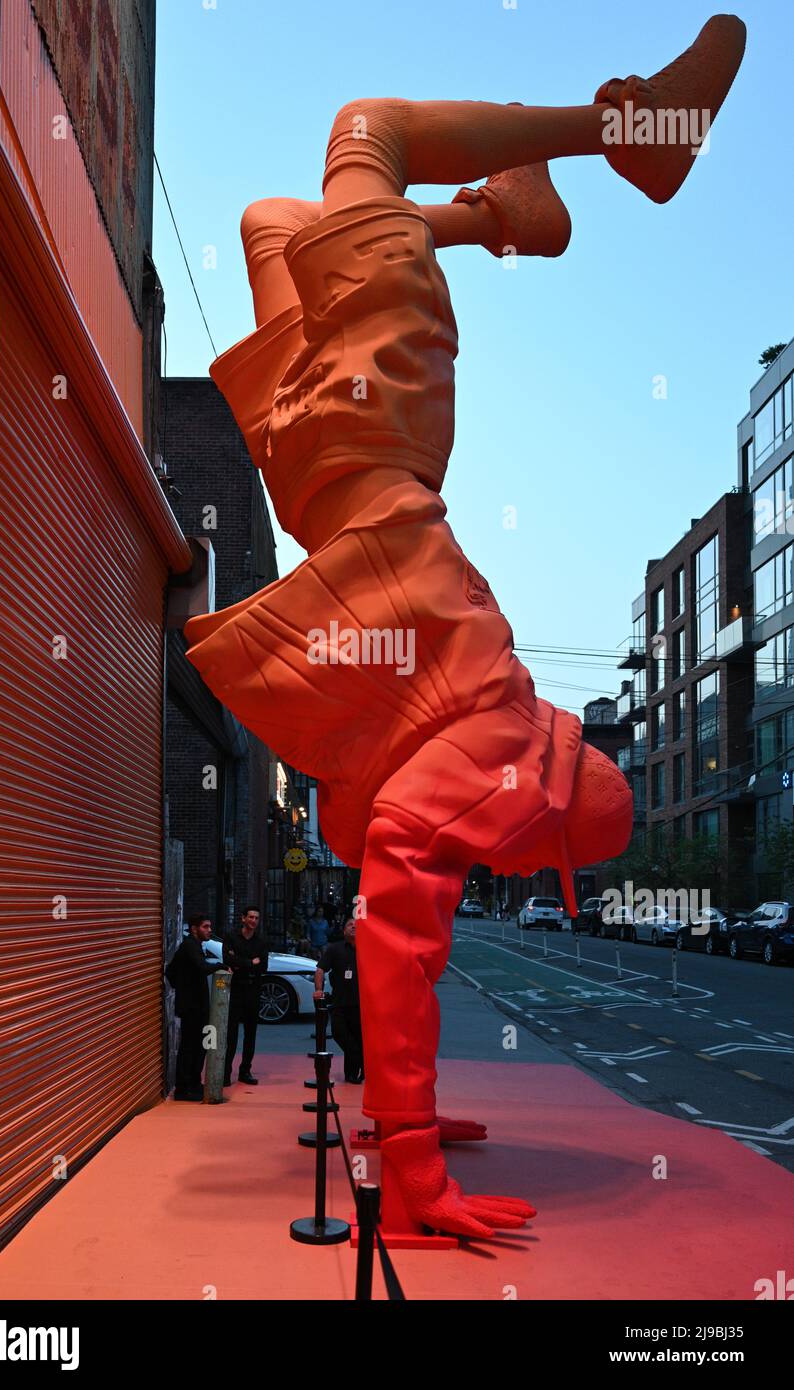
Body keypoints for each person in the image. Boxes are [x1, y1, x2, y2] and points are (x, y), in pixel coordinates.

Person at [185, 15, 746, 1235]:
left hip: (372, 436)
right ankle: (506, 222)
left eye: (585, 756)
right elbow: (408, 942)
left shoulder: (482, 744)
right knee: (275, 222)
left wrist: (413, 1165)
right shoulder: (463, 731)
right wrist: (412, 1128)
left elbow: (395, 939)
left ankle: (632, 132)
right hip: (323, 455)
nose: (580, 740)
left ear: (553, 776)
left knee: (362, 135)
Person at [165, 913, 223, 1102]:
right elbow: (201, 967)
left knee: (194, 1045)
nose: (209, 930)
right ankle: (186, 1087)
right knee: (193, 1046)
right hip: (193, 1007)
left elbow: (170, 971)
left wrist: (181, 988)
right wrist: (220, 965)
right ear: (194, 928)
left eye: (209, 927)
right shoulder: (190, 946)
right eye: (205, 927)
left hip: (192, 1004)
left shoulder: (192, 946)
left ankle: (191, 1084)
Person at [223, 905, 269, 1085]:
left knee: (251, 1034)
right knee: (231, 1034)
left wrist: (239, 963)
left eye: (256, 918)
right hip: (236, 989)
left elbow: (263, 966)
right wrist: (251, 962)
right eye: (251, 917)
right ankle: (226, 1073)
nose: (254, 921)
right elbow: (228, 960)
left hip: (253, 989)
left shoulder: (262, 941)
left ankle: (245, 1071)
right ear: (243, 918)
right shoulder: (231, 937)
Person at [314, 917, 363, 1082]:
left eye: (357, 925)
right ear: (344, 930)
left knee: (357, 1037)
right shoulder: (335, 949)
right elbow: (320, 969)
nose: (354, 927)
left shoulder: (368, 949)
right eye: (350, 925)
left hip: (361, 1004)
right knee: (339, 1034)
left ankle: (351, 1075)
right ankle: (361, 1061)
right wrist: (319, 990)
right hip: (340, 1003)